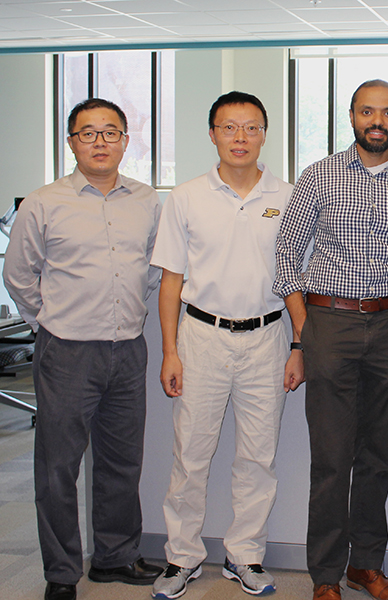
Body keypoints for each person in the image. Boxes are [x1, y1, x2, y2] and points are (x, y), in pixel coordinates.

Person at [273, 79, 388, 600]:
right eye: (368, 112)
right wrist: (303, 331)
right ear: (352, 117)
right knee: (331, 457)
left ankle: (367, 565)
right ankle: (324, 575)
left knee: (376, 456)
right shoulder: (318, 177)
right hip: (329, 324)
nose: (377, 121)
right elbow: (287, 258)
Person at [2, 98, 163, 600]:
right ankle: (61, 573)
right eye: (88, 133)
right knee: (57, 467)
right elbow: (19, 275)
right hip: (67, 351)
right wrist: (46, 321)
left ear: (125, 141)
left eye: (110, 133)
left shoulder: (147, 200)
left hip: (127, 349)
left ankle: (114, 557)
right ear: (71, 141)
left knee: (121, 461)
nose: (100, 142)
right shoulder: (44, 202)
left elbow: (156, 267)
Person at [149, 91, 294, 599]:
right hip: (201, 337)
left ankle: (245, 555)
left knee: (259, 455)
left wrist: (299, 346)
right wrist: (170, 350)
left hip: (268, 336)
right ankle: (181, 557)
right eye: (229, 127)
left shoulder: (289, 195)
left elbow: (297, 280)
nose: (240, 137)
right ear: (212, 134)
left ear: (264, 133)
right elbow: (171, 280)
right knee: (191, 453)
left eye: (251, 127)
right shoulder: (186, 197)